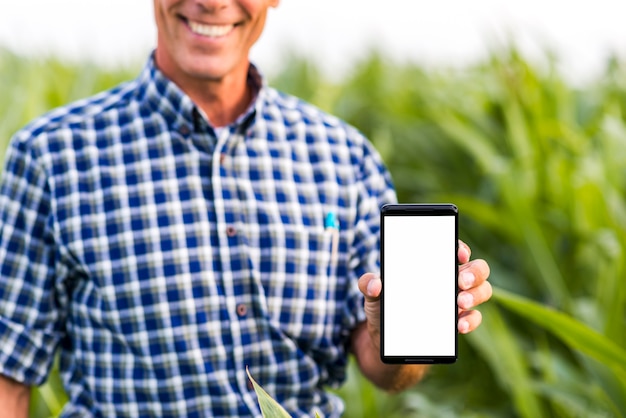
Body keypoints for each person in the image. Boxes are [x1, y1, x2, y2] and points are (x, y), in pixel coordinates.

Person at [0, 1, 492, 416]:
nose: (213, 2)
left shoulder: (344, 157)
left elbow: (387, 371)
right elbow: (9, 373)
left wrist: (397, 327)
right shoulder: (51, 157)